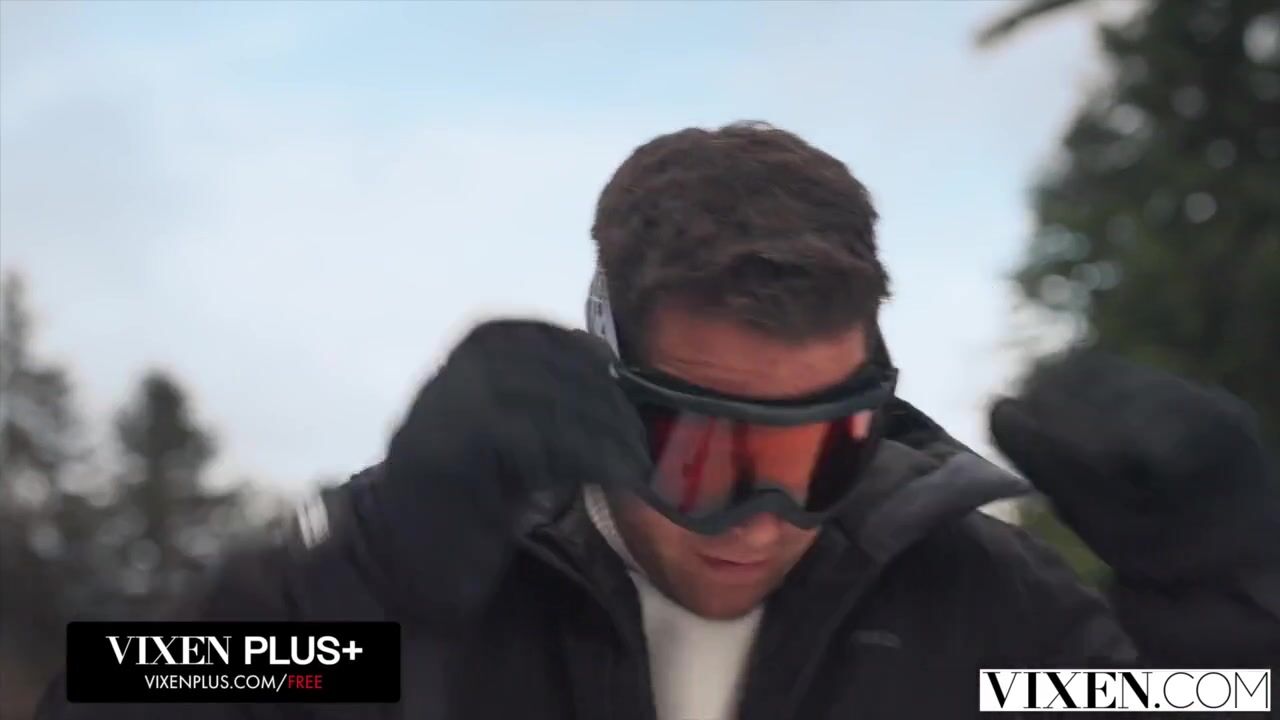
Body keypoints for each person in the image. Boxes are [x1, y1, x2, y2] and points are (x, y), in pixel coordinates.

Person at [38, 122, 1280, 719]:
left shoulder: (977, 625)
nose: (761, 520)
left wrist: (1224, 601)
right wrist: (364, 588)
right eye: (705, 456)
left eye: (817, 457)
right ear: (611, 396)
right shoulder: (444, 584)